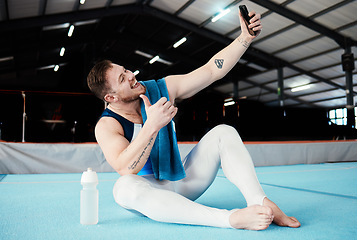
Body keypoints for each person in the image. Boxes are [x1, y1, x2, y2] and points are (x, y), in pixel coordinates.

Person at [87, 8, 301, 230]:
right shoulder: (106, 125)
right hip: (148, 193)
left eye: (126, 70)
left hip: (183, 183)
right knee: (123, 188)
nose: (131, 75)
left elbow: (211, 71)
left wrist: (244, 39)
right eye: (123, 78)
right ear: (111, 97)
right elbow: (125, 167)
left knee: (223, 133)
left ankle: (259, 200)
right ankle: (230, 219)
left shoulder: (160, 89)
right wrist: (151, 125)